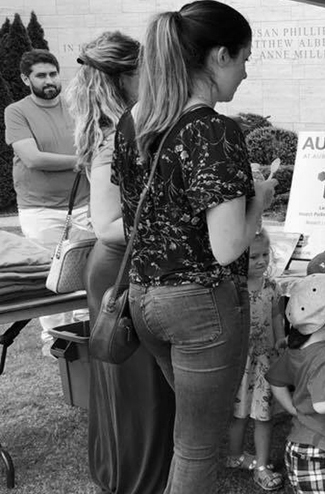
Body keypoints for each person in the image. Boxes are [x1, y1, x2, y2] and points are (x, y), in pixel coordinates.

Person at [111, 2, 276, 492]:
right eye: (245, 59)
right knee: (197, 450)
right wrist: (260, 199)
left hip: (144, 301)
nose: (245, 73)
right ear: (220, 56)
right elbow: (226, 247)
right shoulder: (213, 129)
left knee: (190, 437)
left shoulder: (134, 120)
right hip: (201, 305)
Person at [65, 31, 175, 494]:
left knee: (125, 379)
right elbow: (109, 223)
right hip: (121, 269)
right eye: (145, 72)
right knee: (139, 383)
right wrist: (173, 226)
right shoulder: (114, 138)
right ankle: (139, 478)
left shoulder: (117, 128)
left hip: (117, 267)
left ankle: (125, 468)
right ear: (125, 77)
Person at [4, 48, 91, 353]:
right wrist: (82, 160)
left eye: (53, 73)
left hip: (83, 201)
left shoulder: (76, 105)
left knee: (87, 270)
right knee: (50, 277)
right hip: (39, 208)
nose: (49, 80)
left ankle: (87, 335)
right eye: (41, 75)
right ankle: (55, 342)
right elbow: (32, 158)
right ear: (25, 78)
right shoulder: (16, 111)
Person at [266, 273, 325, 494]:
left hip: (302, 443)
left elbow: (276, 380)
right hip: (319, 450)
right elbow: (323, 405)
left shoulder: (296, 349)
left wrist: (292, 409)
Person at [226, 229, 285, 491]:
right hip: (240, 362)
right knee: (239, 414)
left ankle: (261, 465)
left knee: (263, 415)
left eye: (265, 255)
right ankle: (236, 455)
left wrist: (281, 341)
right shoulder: (232, 289)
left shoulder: (272, 287)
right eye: (253, 257)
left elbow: (275, 317)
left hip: (265, 361)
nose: (261, 261)